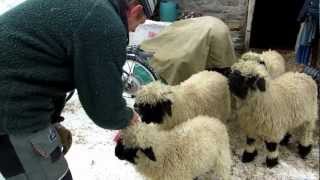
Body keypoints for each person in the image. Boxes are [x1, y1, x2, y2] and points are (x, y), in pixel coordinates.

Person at [0, 0, 156, 179]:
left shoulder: (90, 7)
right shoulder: (105, 23)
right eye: (139, 23)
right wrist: (129, 118)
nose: (134, 30)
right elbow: (105, 107)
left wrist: (51, 120)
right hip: (12, 108)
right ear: (136, 10)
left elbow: (42, 59)